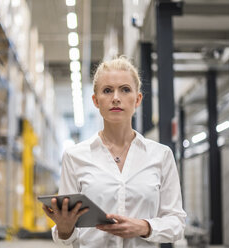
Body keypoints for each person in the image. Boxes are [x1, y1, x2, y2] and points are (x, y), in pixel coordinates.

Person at [42, 56, 186, 247]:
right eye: (107, 90)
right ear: (96, 100)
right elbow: (66, 235)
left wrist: (144, 227)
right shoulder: (75, 157)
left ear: (138, 99)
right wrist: (65, 228)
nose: (116, 98)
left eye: (125, 90)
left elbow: (176, 223)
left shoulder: (161, 156)